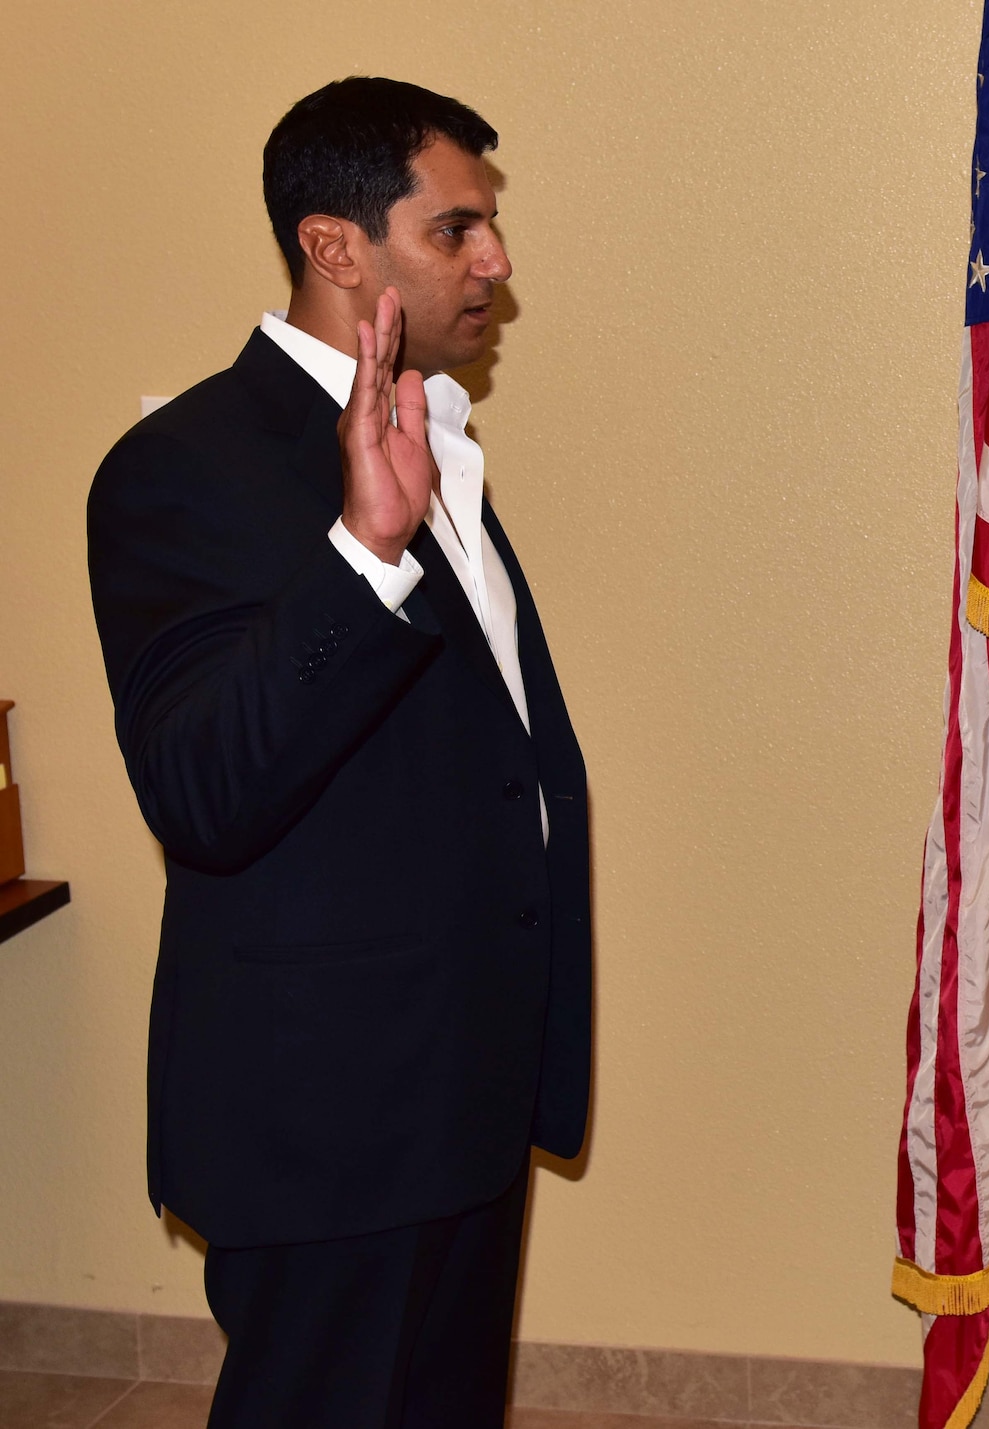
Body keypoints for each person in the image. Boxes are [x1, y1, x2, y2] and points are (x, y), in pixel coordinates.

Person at [86, 77, 590, 1427]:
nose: (494, 263)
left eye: (490, 230)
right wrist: (361, 553)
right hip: (326, 1118)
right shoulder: (182, 465)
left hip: (461, 1093)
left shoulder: (433, 434)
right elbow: (202, 788)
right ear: (335, 245)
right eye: (456, 230)